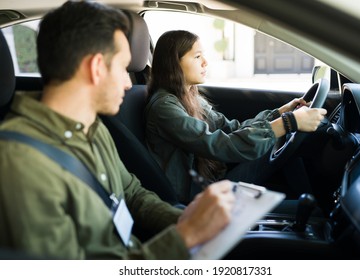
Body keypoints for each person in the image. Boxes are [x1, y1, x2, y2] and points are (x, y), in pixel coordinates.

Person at [0, 1, 235, 260]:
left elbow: (132, 193)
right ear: (96, 68)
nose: (127, 83)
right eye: (123, 68)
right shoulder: (20, 161)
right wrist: (184, 237)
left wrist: (184, 219)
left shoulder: (93, 126)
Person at [145, 30, 327, 205]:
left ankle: (312, 207)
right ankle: (316, 210)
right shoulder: (164, 107)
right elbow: (218, 144)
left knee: (283, 142)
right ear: (174, 63)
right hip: (196, 195)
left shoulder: (191, 98)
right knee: (282, 142)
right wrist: (288, 123)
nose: (205, 62)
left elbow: (232, 128)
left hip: (211, 180)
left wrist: (280, 113)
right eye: (197, 56)